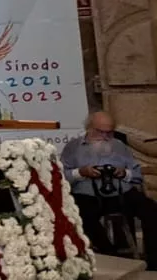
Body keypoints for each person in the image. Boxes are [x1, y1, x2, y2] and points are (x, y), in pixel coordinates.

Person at [63, 112, 157, 270]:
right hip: (88, 194)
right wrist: (81, 172)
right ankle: (111, 254)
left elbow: (137, 174)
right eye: (100, 132)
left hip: (121, 193)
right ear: (89, 128)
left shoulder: (119, 146)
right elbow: (62, 176)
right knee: (81, 215)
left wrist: (124, 173)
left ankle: (154, 262)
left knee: (151, 210)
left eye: (110, 132)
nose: (105, 137)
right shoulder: (73, 147)